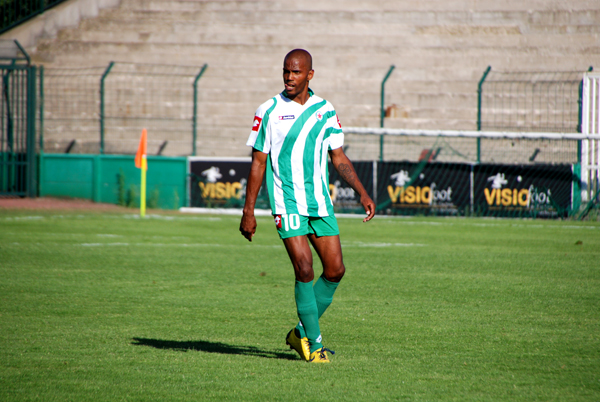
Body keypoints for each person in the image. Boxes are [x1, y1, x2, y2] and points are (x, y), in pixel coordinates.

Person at [239, 49, 375, 363]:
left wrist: (362, 193)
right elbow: (258, 163)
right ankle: (314, 345)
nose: (290, 77)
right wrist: (249, 211)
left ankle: (300, 331)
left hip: (319, 202)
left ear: (310, 75)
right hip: (286, 202)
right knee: (304, 269)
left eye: (297, 72)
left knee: (336, 270)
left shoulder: (325, 110)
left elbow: (338, 157)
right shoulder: (269, 110)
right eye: (286, 71)